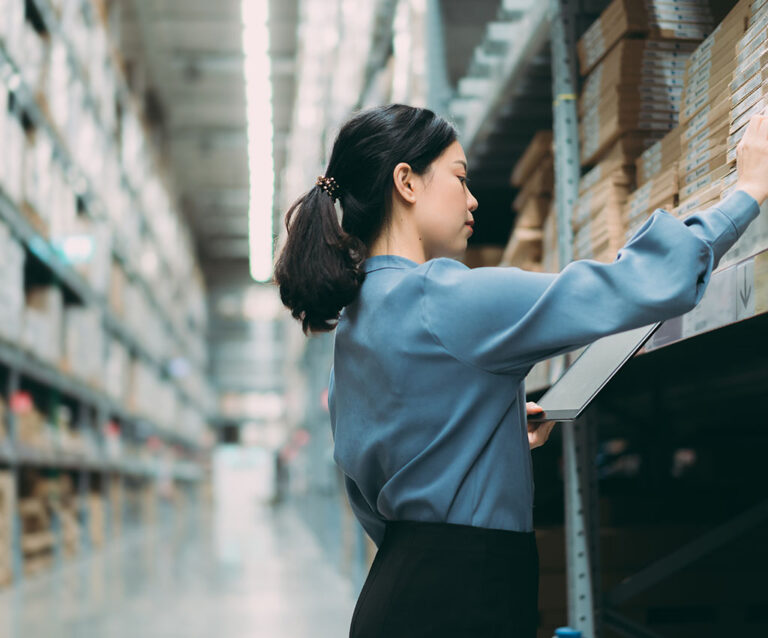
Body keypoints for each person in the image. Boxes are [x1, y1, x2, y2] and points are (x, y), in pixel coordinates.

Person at [273, 103, 768, 637]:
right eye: (460, 178)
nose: (472, 199)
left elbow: (371, 489)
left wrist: (488, 441)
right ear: (406, 183)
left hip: (396, 594)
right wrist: (749, 191)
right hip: (466, 599)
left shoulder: (354, 325)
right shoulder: (446, 295)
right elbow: (639, 283)